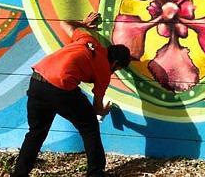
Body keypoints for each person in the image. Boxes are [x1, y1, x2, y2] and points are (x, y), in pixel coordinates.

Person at [11, 12, 131, 177]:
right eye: (116, 70)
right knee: (89, 126)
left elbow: (65, 23)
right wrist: (102, 112)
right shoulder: (104, 69)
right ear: (115, 63)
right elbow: (96, 107)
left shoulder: (88, 40)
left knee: (36, 132)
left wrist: (83, 24)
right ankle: (96, 172)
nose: (113, 73)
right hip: (61, 87)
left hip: (37, 80)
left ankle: (19, 174)